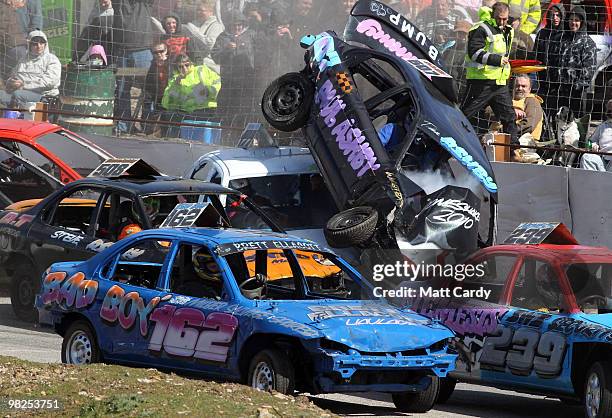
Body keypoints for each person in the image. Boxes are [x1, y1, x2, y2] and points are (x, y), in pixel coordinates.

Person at [461, 3, 517, 145]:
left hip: (499, 83)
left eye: (505, 19)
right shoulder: (481, 28)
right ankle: (445, 149)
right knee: (465, 115)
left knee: (509, 116)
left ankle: (514, 150)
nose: (502, 22)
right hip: (481, 81)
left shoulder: (508, 30)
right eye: (499, 19)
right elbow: (474, 53)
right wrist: (497, 60)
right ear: (493, 15)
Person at [112, 0, 155, 134]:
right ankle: (125, 126)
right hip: (123, 52)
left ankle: (148, 126)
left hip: (143, 51)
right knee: (123, 90)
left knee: (149, 89)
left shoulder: (145, 3)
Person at [0, 30, 60, 108]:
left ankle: (17, 116)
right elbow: (13, 76)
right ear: (29, 45)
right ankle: (6, 117)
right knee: (1, 95)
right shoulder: (23, 60)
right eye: (35, 44)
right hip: (19, 92)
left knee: (18, 95)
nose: (39, 46)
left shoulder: (52, 59)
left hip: (44, 96)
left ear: (45, 44)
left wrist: (24, 85)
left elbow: (49, 82)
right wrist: (11, 83)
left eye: (41, 43)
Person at [212, 12, 258, 112]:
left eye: (239, 25)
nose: (237, 28)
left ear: (244, 24)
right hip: (229, 78)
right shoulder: (223, 37)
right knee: (228, 106)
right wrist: (226, 49)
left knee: (246, 105)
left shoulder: (251, 35)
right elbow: (215, 56)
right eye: (234, 25)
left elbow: (260, 53)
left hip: (247, 78)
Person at [557, 6, 596, 118]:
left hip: (577, 92)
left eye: (577, 20)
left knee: (575, 123)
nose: (573, 23)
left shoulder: (588, 42)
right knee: (559, 121)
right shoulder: (562, 39)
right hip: (560, 89)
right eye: (571, 19)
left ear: (582, 22)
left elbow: (589, 70)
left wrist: (577, 86)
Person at [533, 2, 564, 114]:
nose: (555, 18)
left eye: (558, 15)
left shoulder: (565, 34)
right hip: (543, 80)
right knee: (543, 111)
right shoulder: (542, 33)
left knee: (557, 112)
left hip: (559, 83)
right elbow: (535, 55)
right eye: (552, 15)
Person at [0, 0, 42, 79]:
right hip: (12, 39)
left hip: (20, 40)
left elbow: (36, 21)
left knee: (19, 55)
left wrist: (33, 39)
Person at [184, 0, 224, 66]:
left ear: (210, 12)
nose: (198, 12)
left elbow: (209, 45)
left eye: (201, 10)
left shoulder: (216, 26)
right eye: (197, 10)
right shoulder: (195, 23)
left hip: (209, 62)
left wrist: (194, 31)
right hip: (192, 59)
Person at [143, 42, 170, 134]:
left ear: (166, 51)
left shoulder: (172, 63)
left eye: (161, 51)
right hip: (158, 97)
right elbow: (149, 84)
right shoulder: (152, 66)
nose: (159, 54)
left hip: (171, 97)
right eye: (156, 52)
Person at [581, 100, 612, 172]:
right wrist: (592, 145)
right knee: (587, 157)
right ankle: (592, 182)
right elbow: (589, 141)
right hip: (603, 160)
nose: (609, 112)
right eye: (609, 110)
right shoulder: (602, 126)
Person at [512, 74, 544, 141]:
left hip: (523, 143)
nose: (520, 88)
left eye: (523, 86)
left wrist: (507, 130)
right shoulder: (508, 100)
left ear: (529, 89)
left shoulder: (532, 101)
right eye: (517, 86)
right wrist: (512, 111)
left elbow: (529, 125)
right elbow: (489, 111)